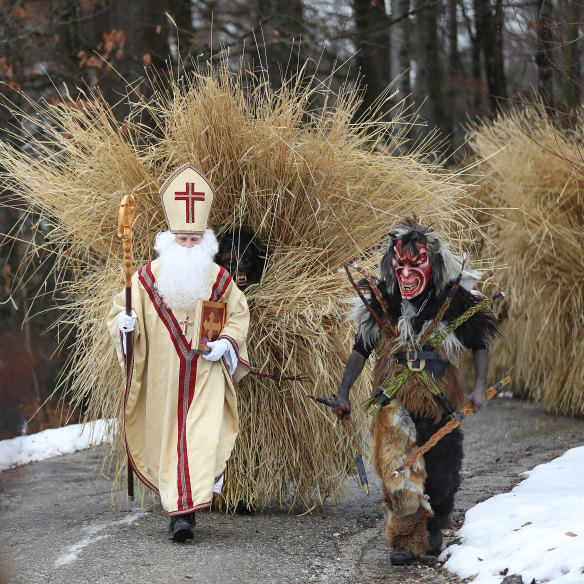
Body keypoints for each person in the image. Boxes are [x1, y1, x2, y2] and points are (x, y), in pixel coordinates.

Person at [336, 217, 498, 565]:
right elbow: (360, 349)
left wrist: (480, 386)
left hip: (440, 404)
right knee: (398, 472)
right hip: (394, 403)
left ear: (433, 264)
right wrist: (343, 392)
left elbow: (479, 341)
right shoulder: (383, 301)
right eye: (401, 264)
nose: (406, 272)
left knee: (441, 479)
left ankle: (436, 522)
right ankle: (405, 540)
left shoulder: (450, 300)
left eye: (416, 263)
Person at [108, 163, 250, 542]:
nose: (188, 248)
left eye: (195, 241)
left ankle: (183, 517)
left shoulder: (219, 280)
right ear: (168, 240)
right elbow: (123, 314)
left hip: (205, 376)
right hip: (162, 379)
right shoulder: (142, 280)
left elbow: (238, 314)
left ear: (205, 242)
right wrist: (125, 328)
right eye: (182, 241)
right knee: (168, 443)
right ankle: (177, 510)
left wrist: (227, 342)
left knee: (201, 439)